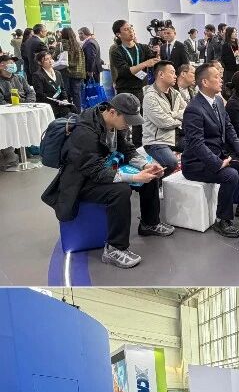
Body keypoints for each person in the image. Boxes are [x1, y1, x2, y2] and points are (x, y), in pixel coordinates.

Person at [42, 89, 170, 267]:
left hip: (103, 169)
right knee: (120, 191)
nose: (129, 125)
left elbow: (127, 150)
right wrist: (133, 177)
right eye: (127, 120)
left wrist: (145, 166)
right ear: (112, 112)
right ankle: (114, 249)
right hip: (80, 182)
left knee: (150, 176)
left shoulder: (113, 124)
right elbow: (96, 171)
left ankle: (149, 223)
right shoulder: (85, 133)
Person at [182, 63, 239, 238]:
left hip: (219, 155)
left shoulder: (218, 101)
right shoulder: (194, 109)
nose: (221, 79)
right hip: (196, 163)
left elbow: (229, 128)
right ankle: (223, 220)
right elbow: (197, 144)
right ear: (205, 82)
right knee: (230, 175)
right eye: (216, 77)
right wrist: (218, 163)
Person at [141, 61, 188, 173]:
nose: (175, 76)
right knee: (171, 162)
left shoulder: (175, 93)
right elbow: (163, 122)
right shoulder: (150, 96)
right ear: (161, 74)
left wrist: (171, 115)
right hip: (156, 141)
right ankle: (156, 181)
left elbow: (188, 112)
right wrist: (180, 120)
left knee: (199, 147)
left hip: (175, 136)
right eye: (172, 73)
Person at [57, 27, 87, 111]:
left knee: (66, 93)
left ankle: (68, 111)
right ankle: (78, 112)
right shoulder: (78, 44)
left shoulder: (62, 44)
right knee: (76, 94)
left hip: (67, 72)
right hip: (79, 72)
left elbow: (55, 57)